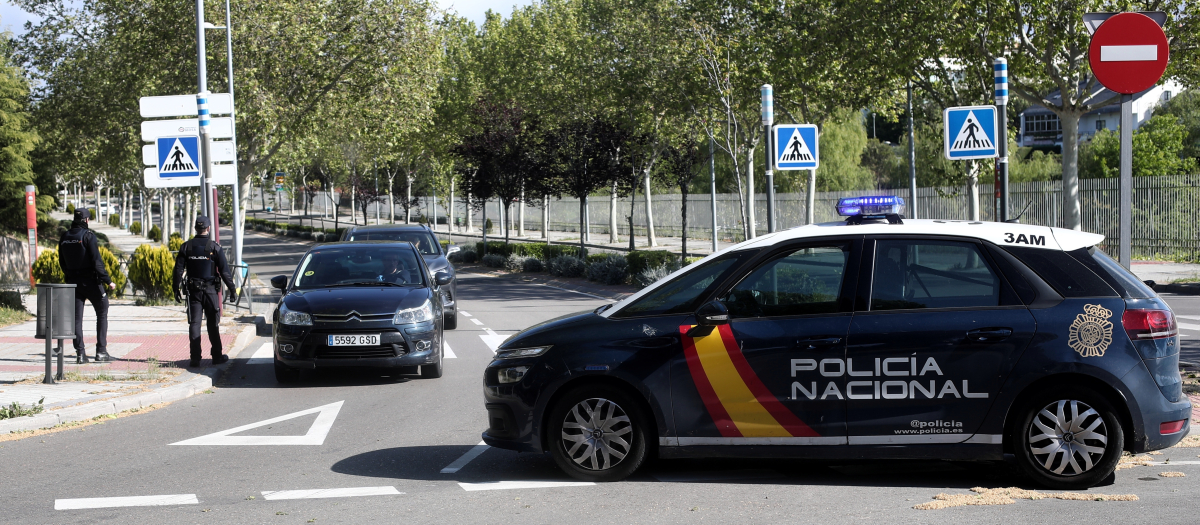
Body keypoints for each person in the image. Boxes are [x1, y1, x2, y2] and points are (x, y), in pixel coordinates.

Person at [172, 216, 238, 367]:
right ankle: (217, 356)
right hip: (210, 291)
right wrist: (233, 290)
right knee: (212, 324)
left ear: (195, 228)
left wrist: (175, 288)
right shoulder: (214, 247)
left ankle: (195, 358)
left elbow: (178, 270)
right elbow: (224, 272)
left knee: (194, 323)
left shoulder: (186, 247)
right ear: (208, 229)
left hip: (193, 291)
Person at [58, 209, 116, 363]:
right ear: (85, 220)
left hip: (73, 282)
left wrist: (70, 275)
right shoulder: (88, 236)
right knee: (102, 311)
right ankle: (101, 352)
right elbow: (97, 261)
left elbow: (61, 262)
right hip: (90, 281)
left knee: (76, 319)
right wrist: (108, 281)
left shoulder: (64, 237)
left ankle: (80, 354)